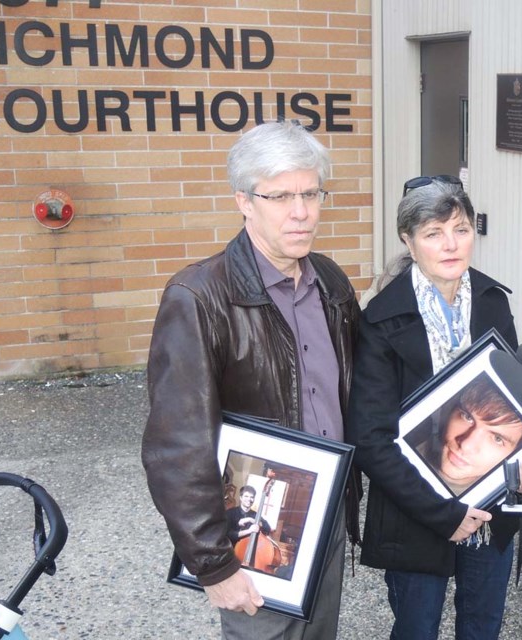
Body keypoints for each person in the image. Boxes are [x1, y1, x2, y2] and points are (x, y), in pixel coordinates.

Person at [141, 120, 360, 640]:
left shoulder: (329, 280)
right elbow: (177, 447)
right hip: (253, 528)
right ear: (244, 200)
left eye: (311, 193)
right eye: (280, 196)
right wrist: (213, 564)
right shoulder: (198, 298)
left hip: (324, 513)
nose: (301, 211)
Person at [347, 176, 522, 640]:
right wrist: (443, 513)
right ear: (408, 241)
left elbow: (514, 406)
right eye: (434, 233)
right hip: (415, 510)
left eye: (460, 229)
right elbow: (370, 439)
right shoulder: (381, 319)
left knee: (482, 627)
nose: (451, 244)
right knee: (417, 627)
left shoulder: (493, 303)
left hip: (490, 506)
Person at [411, 375, 522, 496]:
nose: (466, 445)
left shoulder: (489, 504)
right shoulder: (406, 439)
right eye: (467, 417)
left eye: (497, 438)